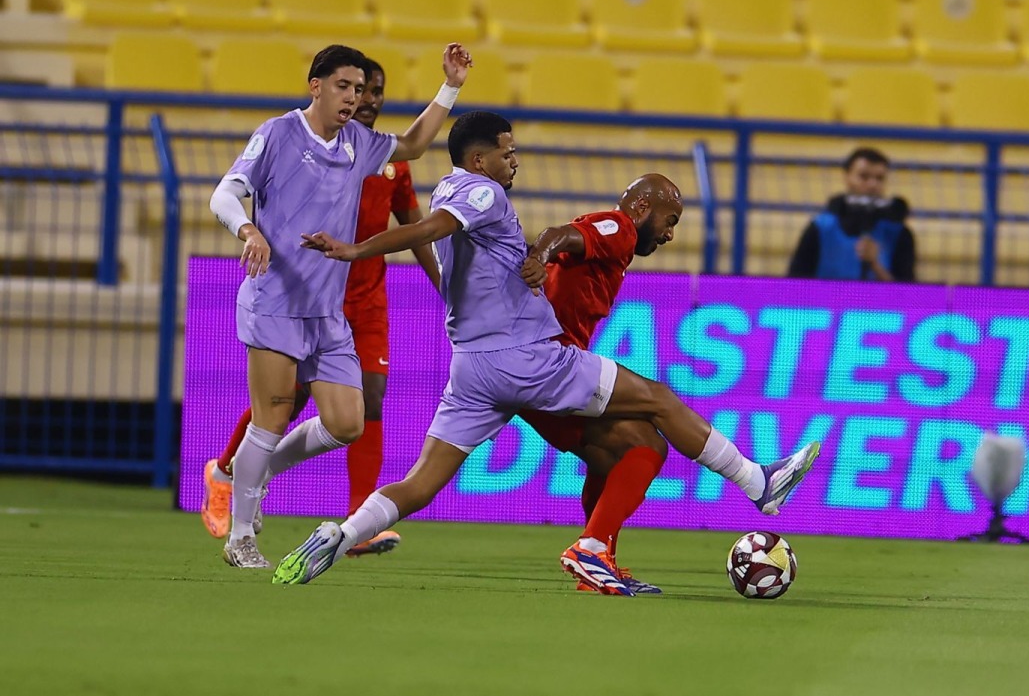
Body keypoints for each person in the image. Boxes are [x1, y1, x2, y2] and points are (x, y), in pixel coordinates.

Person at [274, 111, 821, 595]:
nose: (516, 161)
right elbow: (485, 230)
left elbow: (442, 234)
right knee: (657, 400)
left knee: (426, 479)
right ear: (480, 158)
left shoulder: (449, 188)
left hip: (472, 366)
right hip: (529, 357)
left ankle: (340, 534)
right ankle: (757, 481)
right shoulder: (495, 196)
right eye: (508, 152)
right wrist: (355, 250)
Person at [206, 42, 471, 569]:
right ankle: (242, 537)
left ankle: (248, 478)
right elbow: (223, 194)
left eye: (359, 89)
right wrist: (248, 229)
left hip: (327, 312)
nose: (353, 98)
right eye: (344, 87)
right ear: (317, 86)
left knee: (347, 422)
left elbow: (416, 145)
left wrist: (452, 85)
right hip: (275, 300)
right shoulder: (278, 134)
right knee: (273, 414)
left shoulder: (359, 144)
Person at [519, 174, 683, 594]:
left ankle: (597, 558)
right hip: (549, 370)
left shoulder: (616, 241)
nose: (668, 234)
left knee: (617, 453)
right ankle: (592, 550)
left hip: (532, 368)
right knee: (651, 433)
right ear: (644, 208)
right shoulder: (620, 228)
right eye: (670, 220)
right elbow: (560, 235)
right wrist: (539, 255)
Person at [787, 146, 916, 282]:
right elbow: (795, 282)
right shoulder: (821, 227)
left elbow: (908, 295)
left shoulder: (899, 232)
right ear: (847, 177)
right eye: (863, 177)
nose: (872, 184)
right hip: (825, 301)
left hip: (878, 303)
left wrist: (875, 264)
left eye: (879, 178)